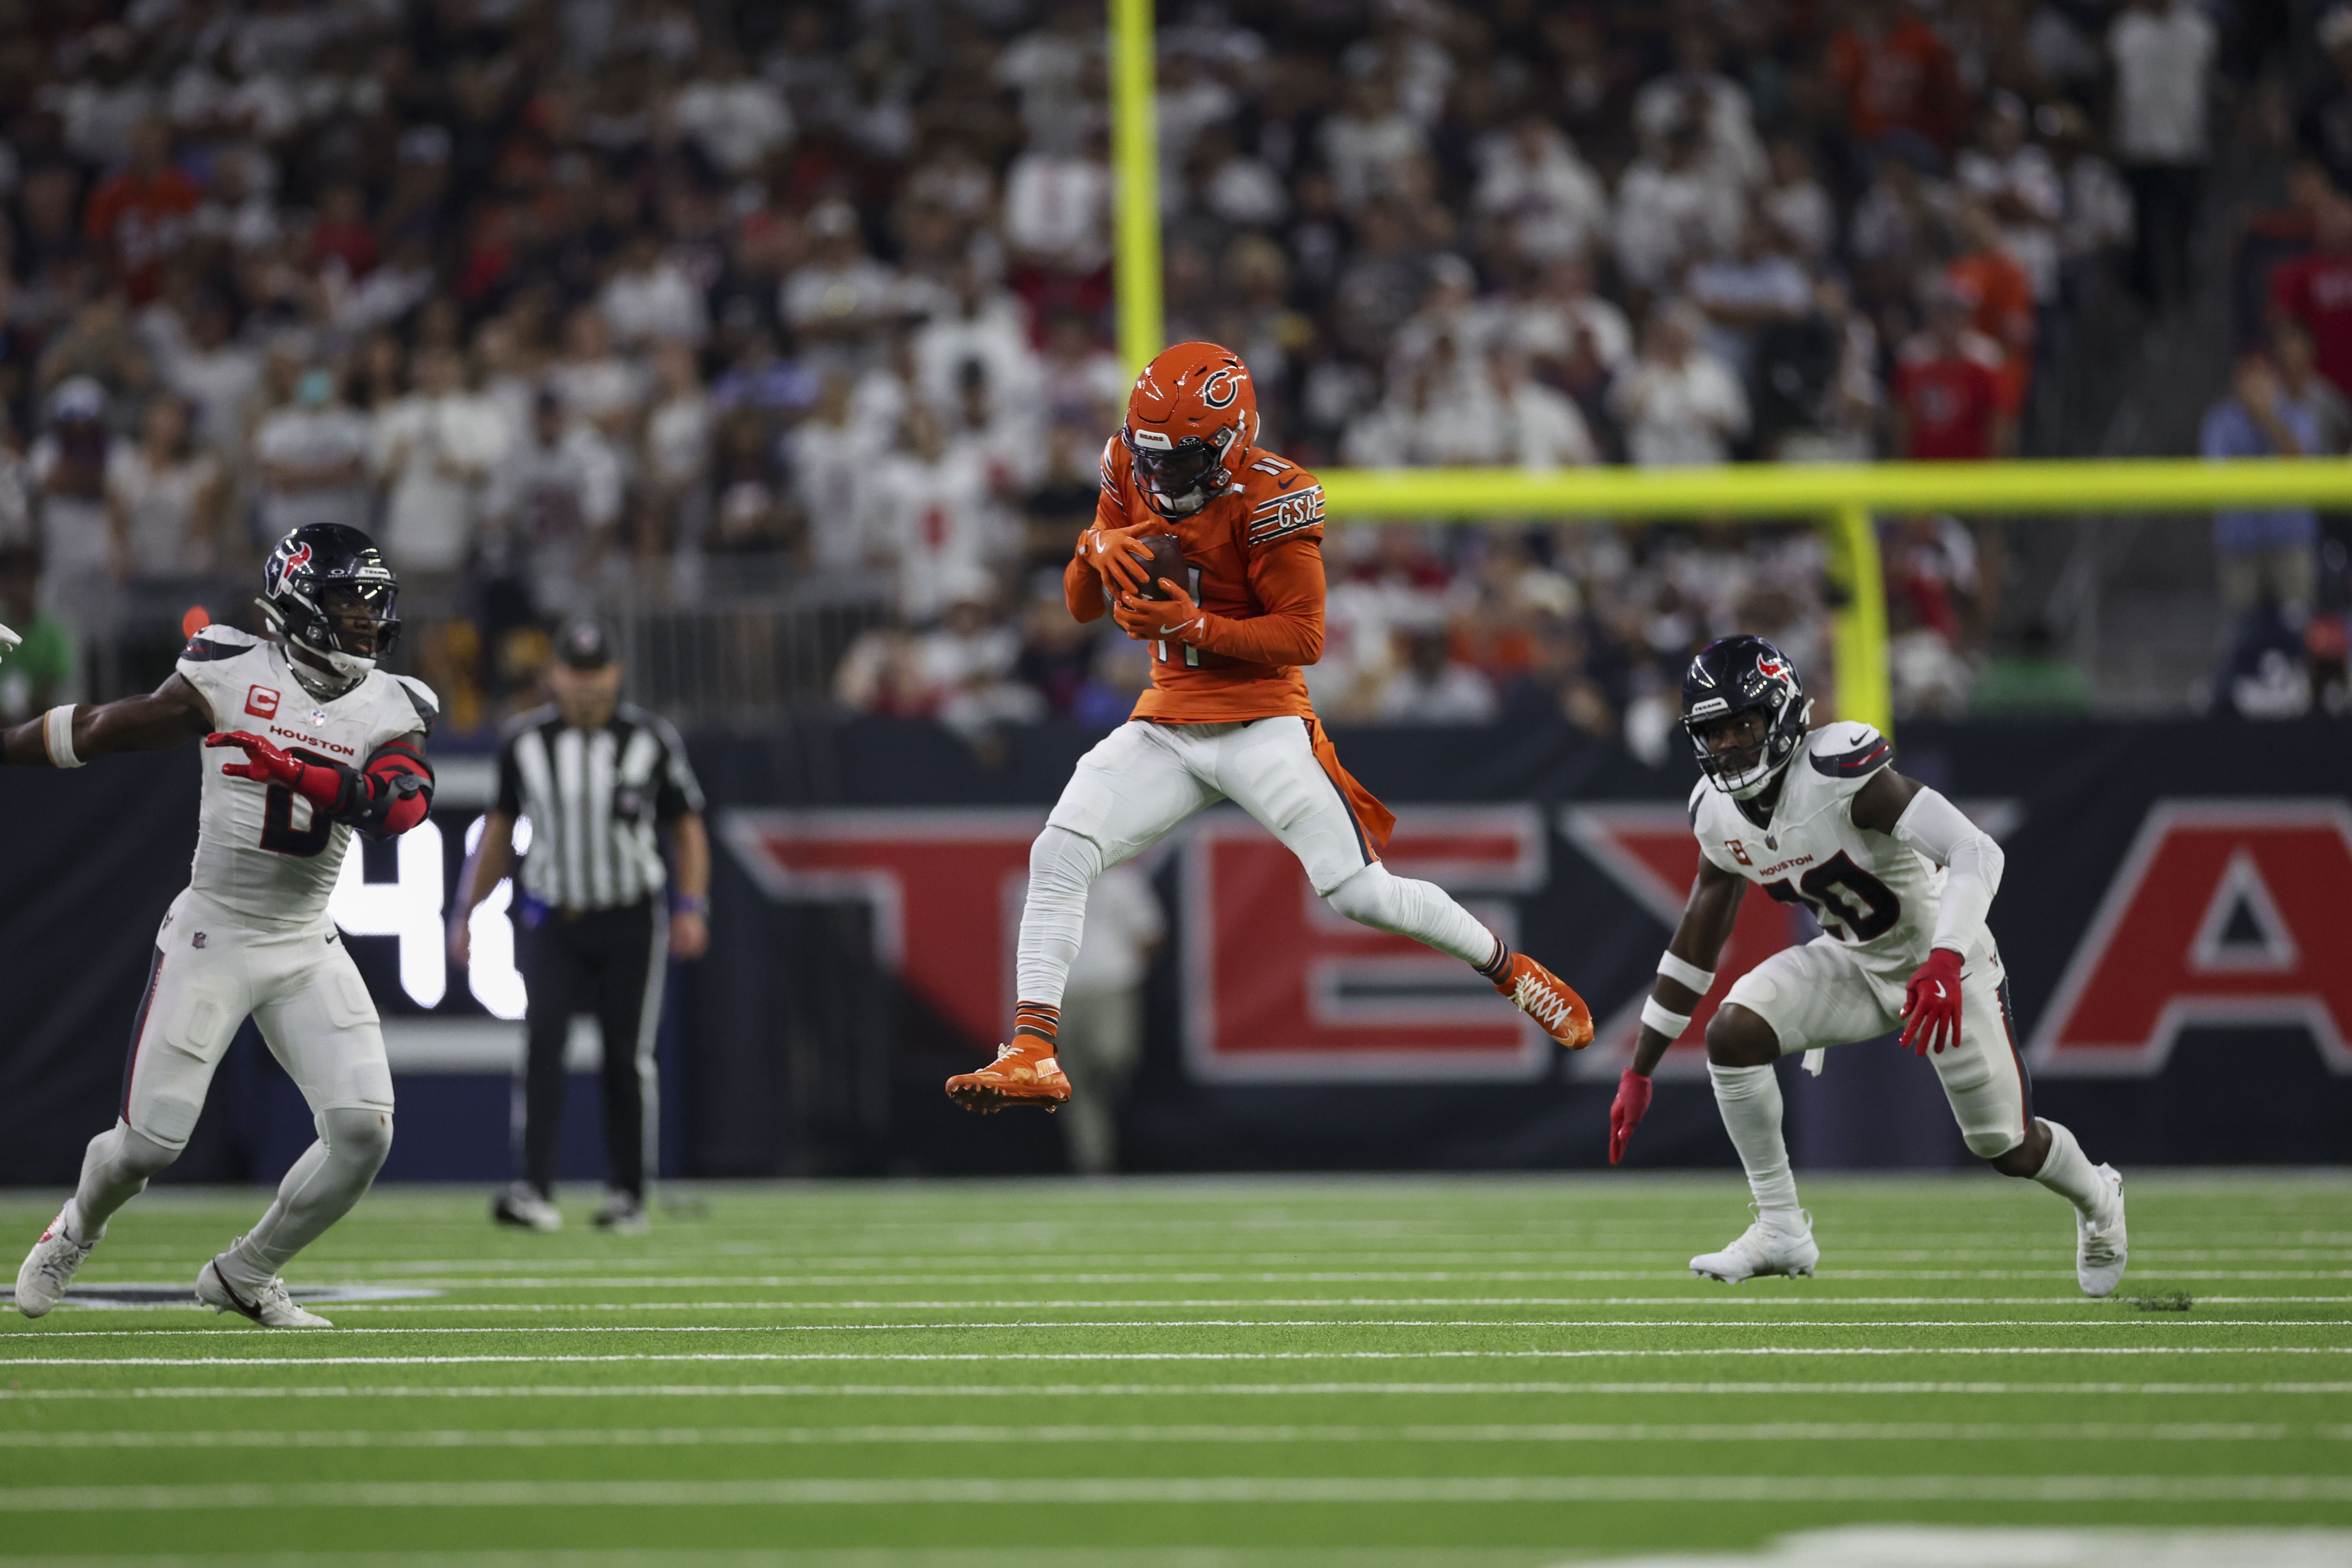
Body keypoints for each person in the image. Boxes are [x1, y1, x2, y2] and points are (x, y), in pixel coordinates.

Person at [944, 342, 1593, 1115]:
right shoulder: (1129, 460)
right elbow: (1084, 603)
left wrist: (1193, 621)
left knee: (1361, 893)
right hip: (1168, 718)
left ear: (1231, 442)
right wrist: (1094, 547)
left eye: (1181, 463)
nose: (1158, 479)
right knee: (1057, 852)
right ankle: (1033, 1050)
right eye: (1151, 458)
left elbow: (1301, 638)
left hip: (1261, 721)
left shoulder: (1275, 495)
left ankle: (1510, 969)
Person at [1605, 636, 2129, 1297]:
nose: (1731, 745)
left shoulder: (1837, 774)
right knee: (1732, 1033)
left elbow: (1976, 850)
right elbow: (1694, 940)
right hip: (1852, 961)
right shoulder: (1714, 814)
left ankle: (2097, 1196)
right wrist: (1640, 1065)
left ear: (1785, 715)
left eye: (1744, 724)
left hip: (1946, 958)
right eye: (1715, 731)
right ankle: (1780, 1226)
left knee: (2004, 1146)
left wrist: (1943, 957)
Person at [10, 525, 437, 1327]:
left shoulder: (393, 705)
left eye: (373, 602)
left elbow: (400, 806)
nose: (366, 619)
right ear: (304, 601)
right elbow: (109, 727)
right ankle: (75, 1229)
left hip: (306, 941)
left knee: (362, 1131)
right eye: (350, 600)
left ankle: (247, 1272)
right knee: (148, 1146)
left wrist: (302, 772)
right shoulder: (232, 670)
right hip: (216, 931)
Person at [449, 620, 710, 1235]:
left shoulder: (650, 740)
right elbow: (498, 832)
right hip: (553, 916)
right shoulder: (525, 742)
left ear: (616, 675)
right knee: (543, 1048)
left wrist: (690, 905)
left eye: (596, 673)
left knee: (627, 1058)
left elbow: (686, 826)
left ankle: (628, 1195)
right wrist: (466, 909)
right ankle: (534, 1188)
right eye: (575, 672)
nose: (587, 686)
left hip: (629, 914)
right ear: (553, 677)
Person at [1055, 863, 1165, 1175]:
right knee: (1073, 1084)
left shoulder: (1121, 881)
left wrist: (1130, 970)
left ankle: (1122, 1119)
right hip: (1065, 991)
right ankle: (1093, 1162)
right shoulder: (1043, 883)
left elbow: (1150, 934)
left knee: (1113, 1056)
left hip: (1112, 986)